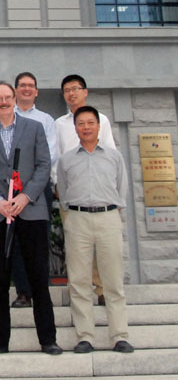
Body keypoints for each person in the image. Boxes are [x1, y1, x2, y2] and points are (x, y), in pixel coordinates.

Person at [0, 82, 62, 356]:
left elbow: (43, 165)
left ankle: (48, 339)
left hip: (31, 211)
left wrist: (25, 197)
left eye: (7, 97)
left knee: (38, 277)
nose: (3, 101)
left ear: (14, 99)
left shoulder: (34, 128)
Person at [56, 105, 134, 354]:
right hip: (77, 218)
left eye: (91, 123)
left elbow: (121, 187)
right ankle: (85, 336)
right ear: (75, 128)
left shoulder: (114, 156)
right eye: (81, 123)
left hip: (108, 217)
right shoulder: (66, 160)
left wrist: (112, 209)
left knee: (113, 280)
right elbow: (63, 192)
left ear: (99, 126)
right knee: (79, 281)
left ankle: (119, 335)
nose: (86, 127)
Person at [55, 74, 117, 307]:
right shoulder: (59, 124)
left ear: (85, 92)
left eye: (76, 89)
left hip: (99, 192)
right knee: (75, 246)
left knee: (101, 246)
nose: (72, 93)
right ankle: (77, 291)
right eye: (67, 90)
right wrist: (57, 185)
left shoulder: (101, 120)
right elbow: (56, 157)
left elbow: (111, 154)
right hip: (71, 194)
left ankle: (102, 289)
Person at [11, 71, 58, 308]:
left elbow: (49, 156)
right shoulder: (7, 117)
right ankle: (23, 292)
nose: (26, 89)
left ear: (36, 91)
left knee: (39, 243)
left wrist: (30, 186)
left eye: (31, 85)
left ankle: (40, 291)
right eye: (22, 85)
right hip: (11, 188)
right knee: (16, 243)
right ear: (15, 90)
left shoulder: (46, 120)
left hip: (38, 189)